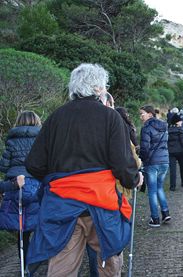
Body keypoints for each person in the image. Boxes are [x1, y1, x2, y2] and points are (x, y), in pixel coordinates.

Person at [24, 63, 142, 277]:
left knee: (62, 268)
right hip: (102, 204)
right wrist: (135, 179)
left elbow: (34, 164)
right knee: (109, 262)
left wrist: (59, 178)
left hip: (62, 205)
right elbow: (123, 165)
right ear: (99, 88)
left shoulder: (55, 118)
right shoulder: (111, 117)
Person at [0, 111, 42, 269]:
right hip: (36, 185)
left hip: (16, 185)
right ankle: (34, 265)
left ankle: (24, 265)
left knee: (21, 229)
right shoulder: (41, 139)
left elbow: (3, 166)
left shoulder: (11, 140)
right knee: (37, 224)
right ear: (37, 122)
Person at [139, 105, 171, 227]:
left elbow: (145, 148)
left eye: (142, 114)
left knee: (152, 191)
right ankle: (165, 213)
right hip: (164, 161)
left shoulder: (146, 128)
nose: (141, 116)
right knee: (159, 188)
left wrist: (141, 159)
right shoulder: (164, 126)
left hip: (152, 163)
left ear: (150, 114)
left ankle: (155, 219)